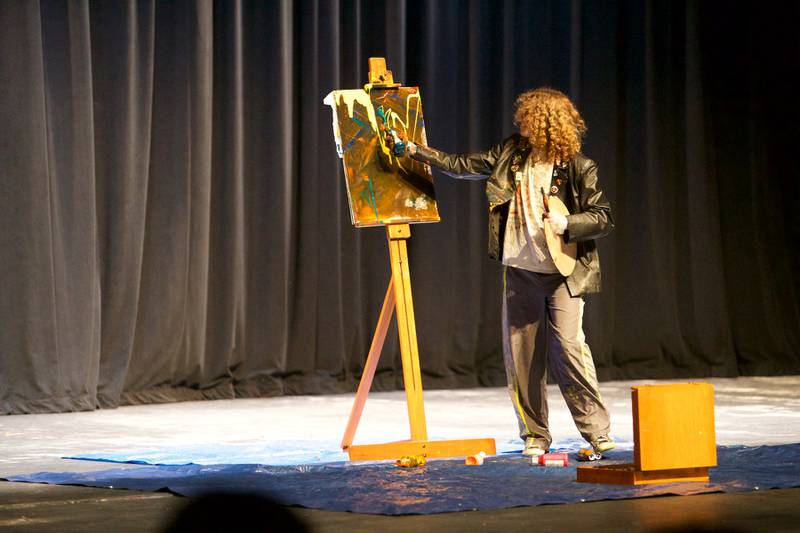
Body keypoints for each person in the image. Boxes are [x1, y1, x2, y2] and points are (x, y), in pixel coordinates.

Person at [399, 87, 615, 456]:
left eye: (529, 119)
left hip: (563, 275)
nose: (522, 124)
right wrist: (419, 152)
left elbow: (603, 217)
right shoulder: (512, 154)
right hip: (520, 271)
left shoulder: (579, 166)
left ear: (547, 123)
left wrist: (568, 221)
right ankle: (535, 434)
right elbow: (465, 165)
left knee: (569, 350)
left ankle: (596, 432)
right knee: (523, 357)